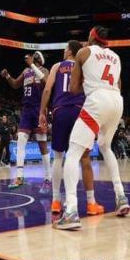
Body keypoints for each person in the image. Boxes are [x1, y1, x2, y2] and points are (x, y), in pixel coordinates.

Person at [57, 26, 130, 230]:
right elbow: (118, 85)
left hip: (98, 100)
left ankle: (71, 211)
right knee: (105, 147)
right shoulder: (116, 57)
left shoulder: (83, 52)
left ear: (91, 36)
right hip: (116, 101)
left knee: (73, 153)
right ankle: (121, 196)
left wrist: (86, 81)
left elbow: (72, 89)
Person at [39, 40, 104, 216]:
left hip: (60, 111)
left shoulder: (57, 66)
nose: (63, 51)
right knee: (84, 157)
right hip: (79, 111)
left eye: (65, 48)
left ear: (69, 52)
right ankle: (91, 203)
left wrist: (42, 112)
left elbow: (47, 90)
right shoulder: (83, 67)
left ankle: (55, 201)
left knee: (58, 157)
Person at [1, 52, 51, 193]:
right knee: (21, 140)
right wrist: (7, 76)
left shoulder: (44, 70)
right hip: (27, 110)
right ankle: (20, 177)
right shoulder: (26, 71)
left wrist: (32, 65)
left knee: (42, 144)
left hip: (39, 109)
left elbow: (46, 83)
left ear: (38, 59)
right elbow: (15, 84)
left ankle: (48, 178)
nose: (31, 57)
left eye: (34, 56)